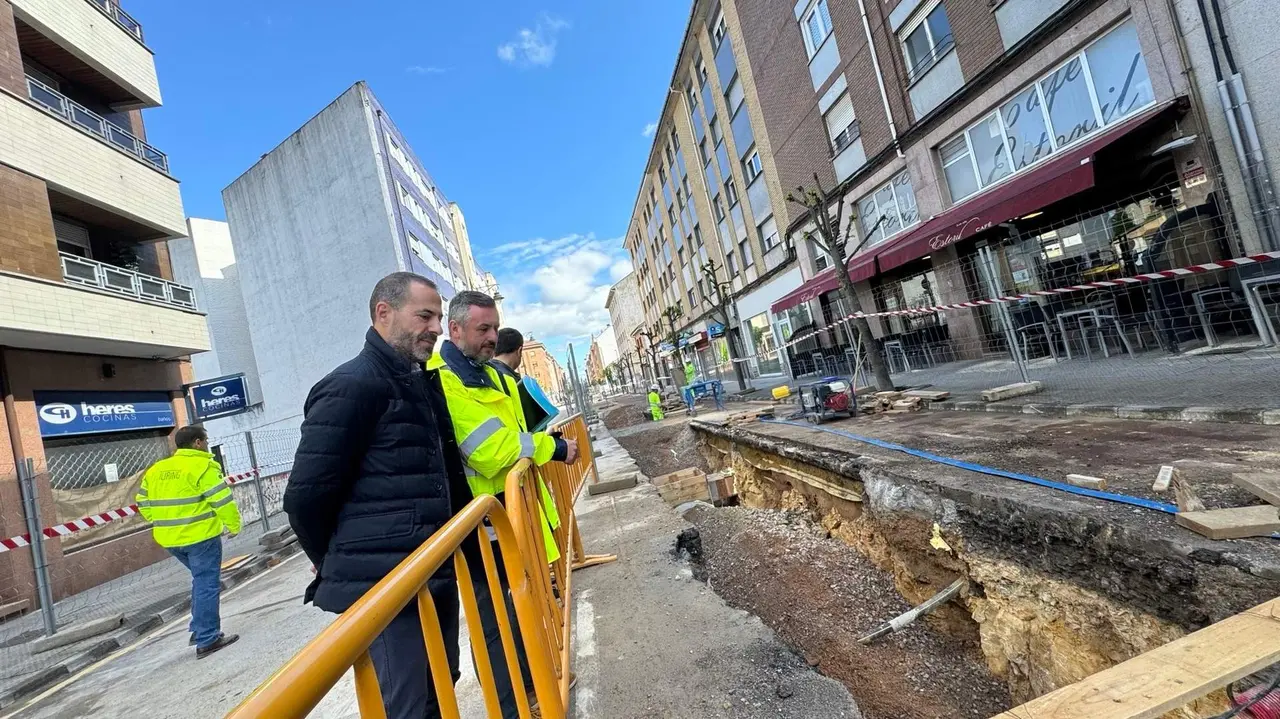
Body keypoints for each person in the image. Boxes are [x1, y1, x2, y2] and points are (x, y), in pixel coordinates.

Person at [284, 272, 470, 719]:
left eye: (439, 318)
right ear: (383, 313)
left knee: (441, 685)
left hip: (429, 568)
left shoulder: (418, 382)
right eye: (425, 315)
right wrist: (329, 557)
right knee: (408, 706)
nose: (436, 328)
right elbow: (306, 496)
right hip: (384, 583)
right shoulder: (353, 384)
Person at [427, 291, 577, 719]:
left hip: (508, 516)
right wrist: (551, 446)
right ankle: (512, 707)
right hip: (481, 523)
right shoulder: (446, 380)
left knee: (519, 607)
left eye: (495, 328)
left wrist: (537, 441)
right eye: (483, 329)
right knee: (494, 623)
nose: (492, 337)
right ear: (454, 330)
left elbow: (516, 431)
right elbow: (491, 449)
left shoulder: (487, 374)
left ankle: (535, 687)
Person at [136, 424, 241, 658]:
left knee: (200, 581)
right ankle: (207, 638)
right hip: (200, 537)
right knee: (206, 583)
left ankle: (198, 629)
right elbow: (222, 500)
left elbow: (142, 502)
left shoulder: (157, 469)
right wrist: (233, 525)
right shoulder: (203, 466)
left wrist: (161, 521)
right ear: (197, 443)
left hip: (170, 539)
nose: (207, 445)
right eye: (205, 440)